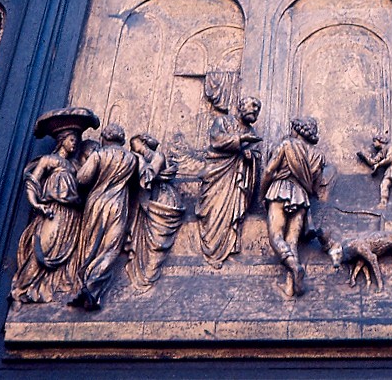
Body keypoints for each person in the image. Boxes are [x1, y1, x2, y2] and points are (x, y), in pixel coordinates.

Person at [10, 107, 99, 303]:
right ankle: (22, 287)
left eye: (77, 140)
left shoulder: (76, 166)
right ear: (62, 140)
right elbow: (32, 181)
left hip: (73, 215)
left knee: (67, 254)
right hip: (54, 211)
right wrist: (36, 204)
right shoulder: (49, 160)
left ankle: (52, 287)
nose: (75, 143)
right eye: (71, 139)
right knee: (45, 247)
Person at [70, 123, 137, 310]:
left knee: (91, 245)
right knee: (111, 248)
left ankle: (85, 285)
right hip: (118, 204)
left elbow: (82, 179)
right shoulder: (131, 158)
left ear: (104, 138)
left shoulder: (99, 155)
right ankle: (93, 286)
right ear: (122, 139)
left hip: (97, 203)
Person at [260, 117, 326, 297]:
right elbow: (315, 187)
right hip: (301, 197)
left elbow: (268, 171)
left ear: (296, 130)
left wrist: (262, 194)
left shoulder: (286, 144)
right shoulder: (318, 155)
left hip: (279, 190)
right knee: (292, 242)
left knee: (276, 237)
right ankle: (291, 286)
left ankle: (295, 266)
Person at [195, 96, 262, 268]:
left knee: (231, 213)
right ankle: (212, 247)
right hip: (217, 174)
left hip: (236, 180)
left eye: (258, 108)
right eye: (253, 105)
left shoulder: (252, 133)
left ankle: (227, 246)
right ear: (241, 106)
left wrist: (250, 157)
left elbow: (255, 154)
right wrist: (241, 141)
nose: (255, 109)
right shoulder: (223, 122)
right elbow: (216, 140)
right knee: (213, 210)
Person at [125, 133, 185, 292]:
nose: (132, 148)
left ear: (143, 142)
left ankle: (150, 273)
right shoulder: (141, 159)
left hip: (162, 199)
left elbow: (149, 175)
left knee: (158, 239)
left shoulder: (158, 156)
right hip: (148, 201)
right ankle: (143, 273)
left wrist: (139, 161)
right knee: (145, 239)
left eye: (134, 144)